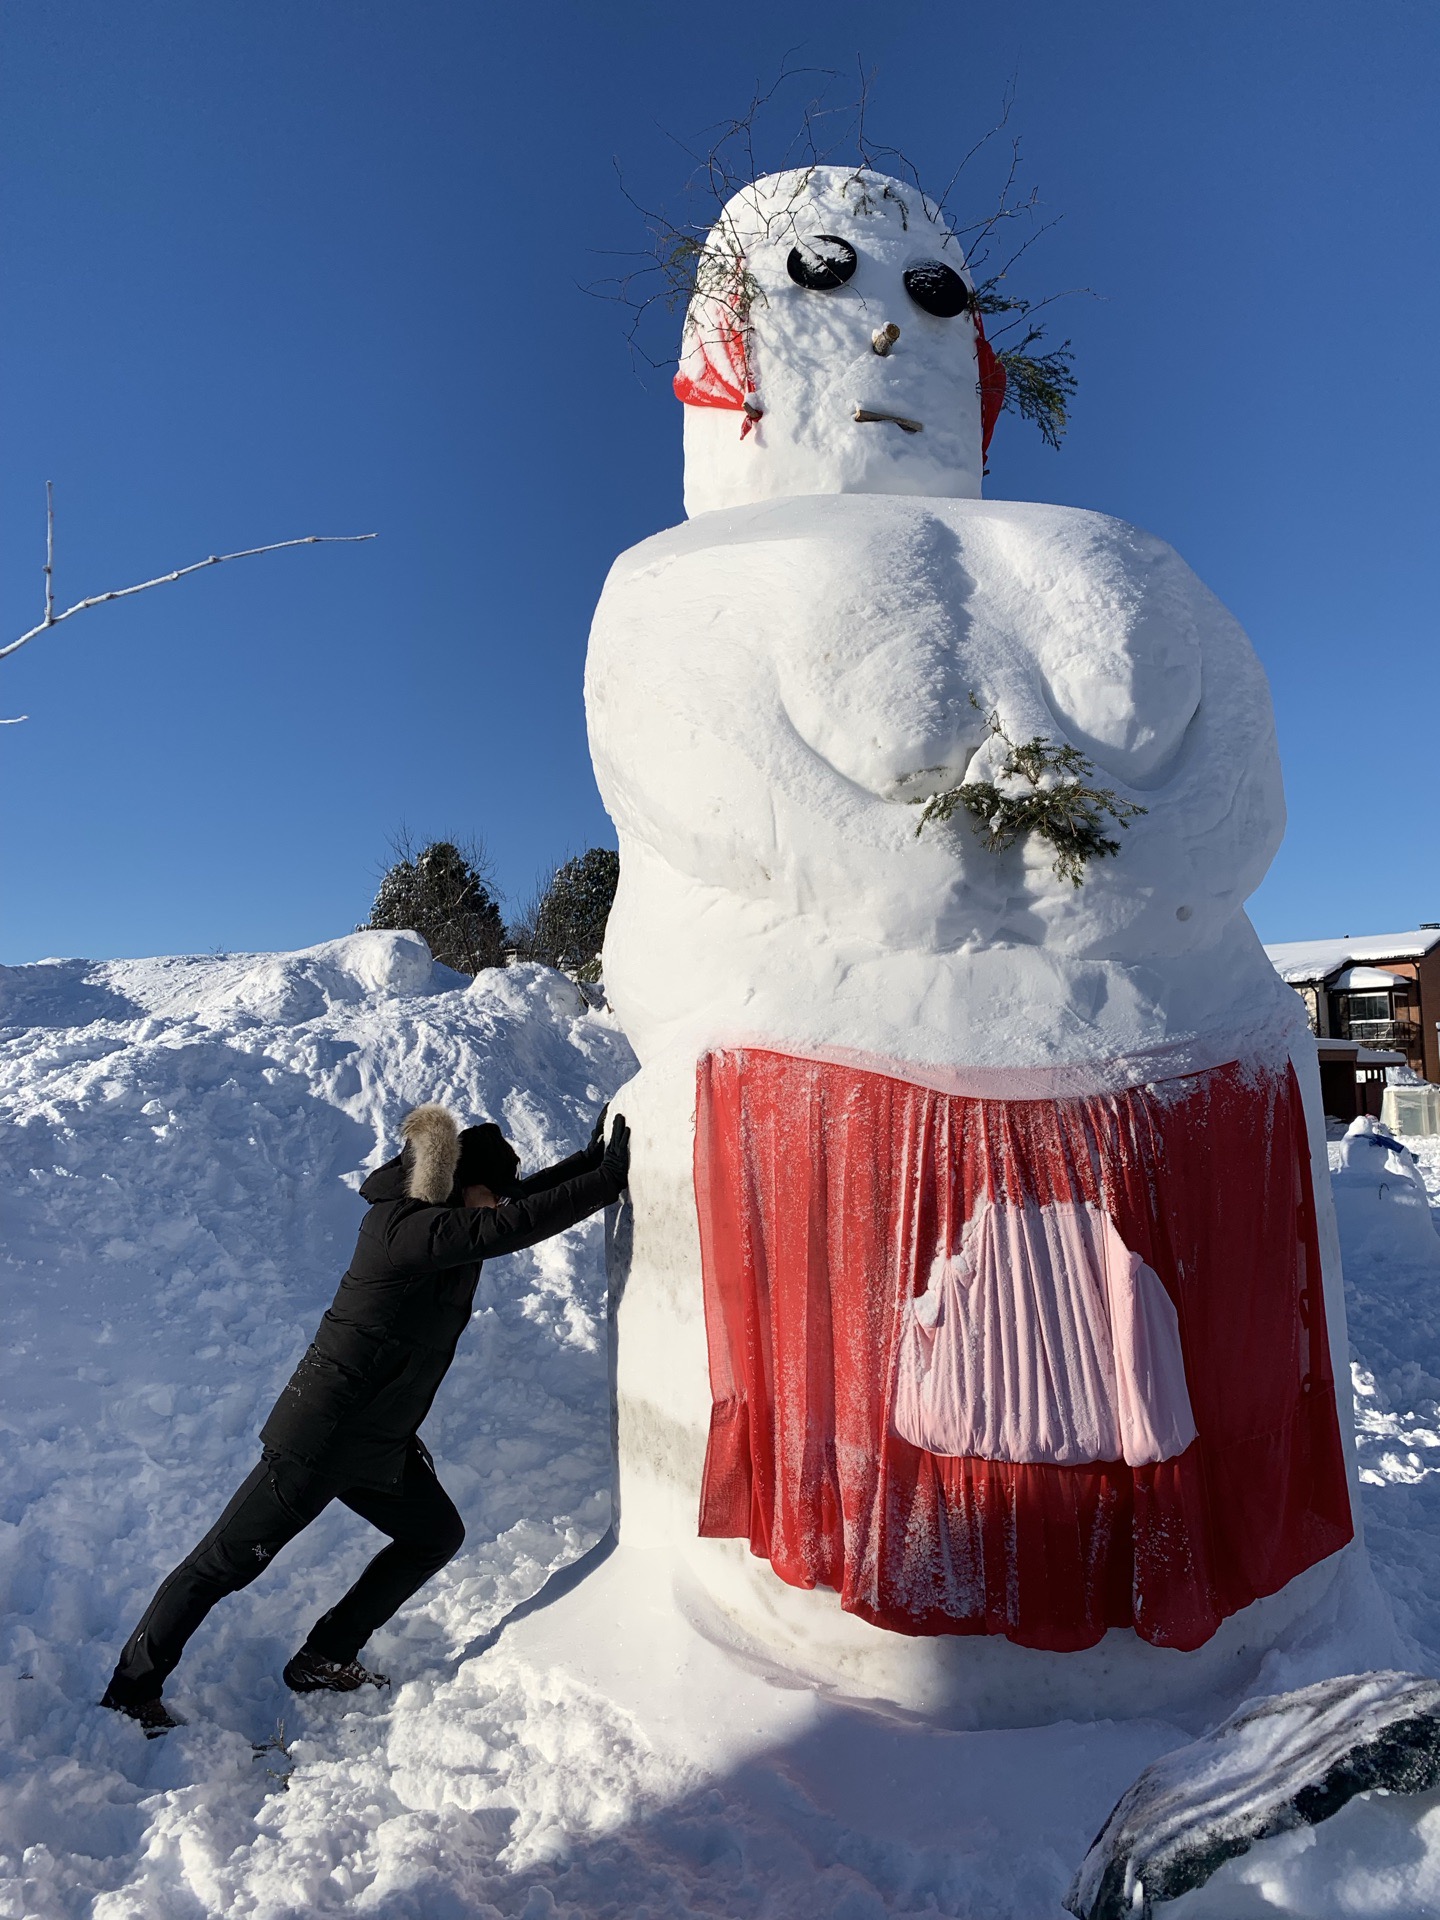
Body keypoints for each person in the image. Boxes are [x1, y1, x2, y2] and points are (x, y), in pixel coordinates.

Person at [101, 1101, 630, 1733]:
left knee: (433, 1536)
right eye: (489, 1194)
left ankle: (325, 1656)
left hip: (379, 1441)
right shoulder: (401, 1228)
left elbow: (512, 1208)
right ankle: (131, 1691)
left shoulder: (448, 1224)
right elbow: (507, 1227)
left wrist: (589, 1162)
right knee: (223, 1564)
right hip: (320, 1438)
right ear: (459, 1188)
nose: (497, 1205)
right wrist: (608, 1180)